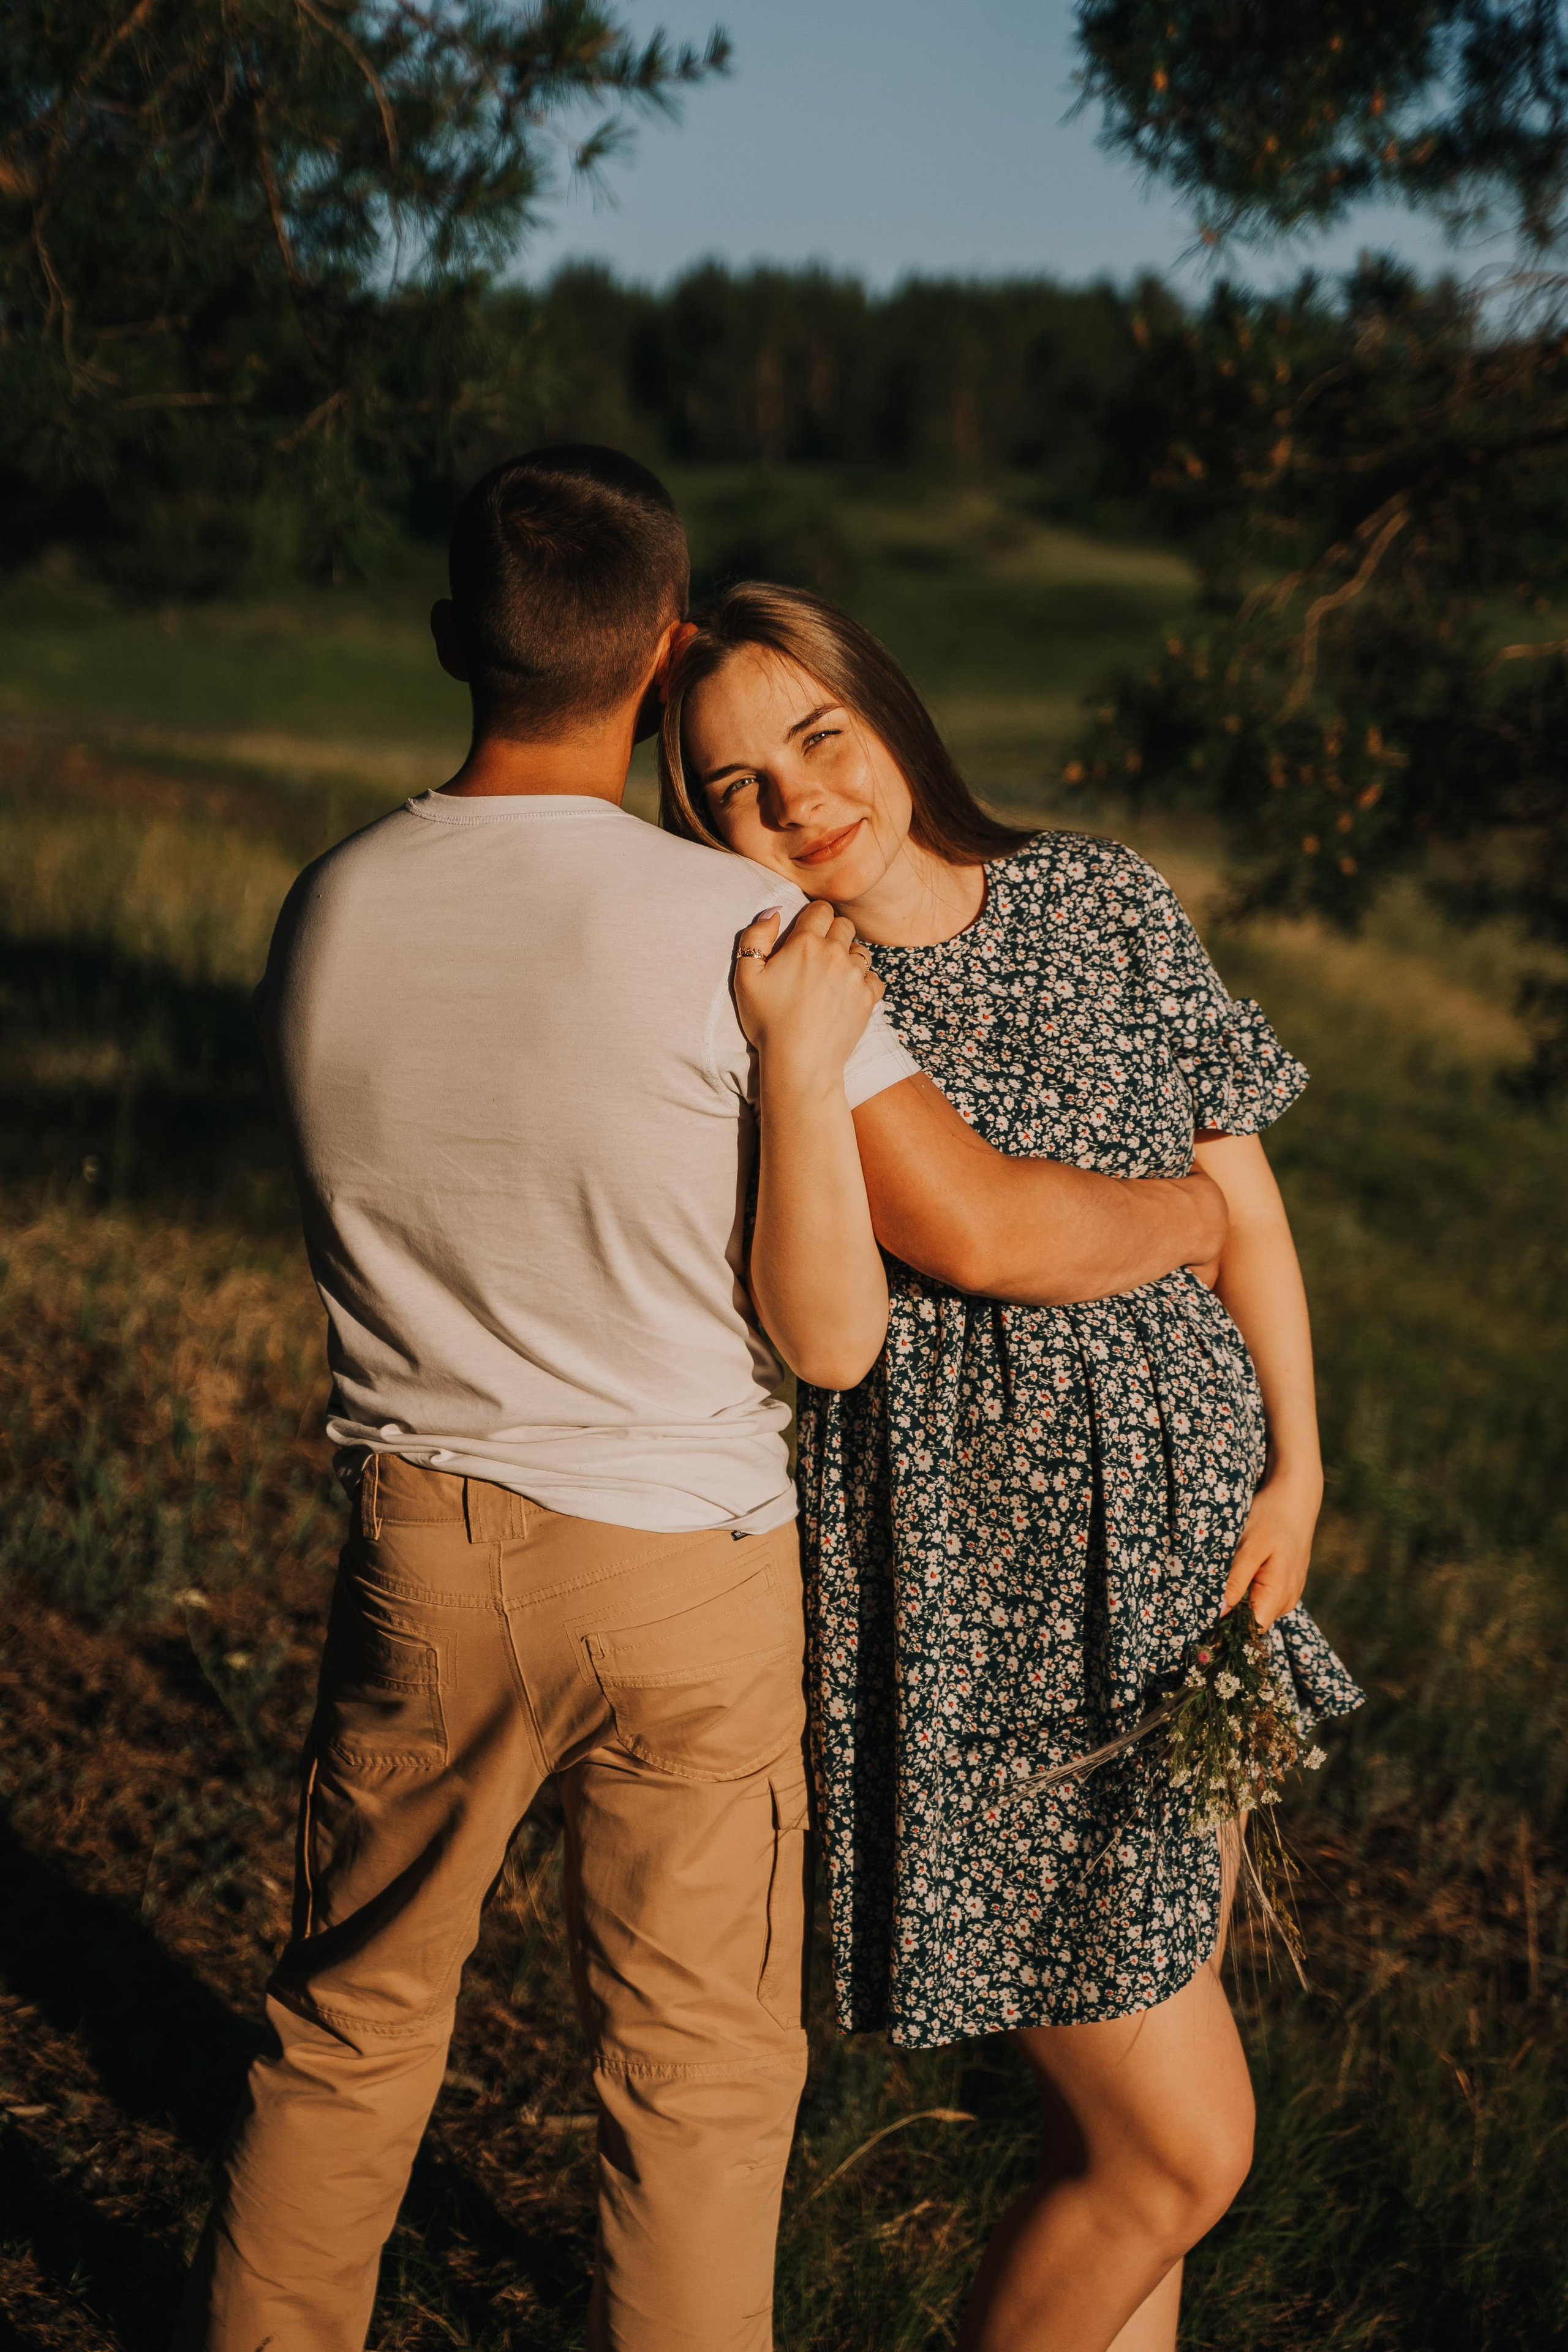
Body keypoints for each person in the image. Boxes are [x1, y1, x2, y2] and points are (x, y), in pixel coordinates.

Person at [174, 450, 1230, 2352]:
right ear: (669, 658)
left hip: (424, 1548)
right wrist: (1191, 1210)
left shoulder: (324, 910)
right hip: (689, 1566)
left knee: (345, 2032)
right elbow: (980, 1229)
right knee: (695, 2091)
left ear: (447, 645)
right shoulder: (726, 932)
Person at [659, 581, 1365, 2352]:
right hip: (994, 1612)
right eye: (737, 785)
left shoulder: (1101, 897)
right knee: (1178, 2148)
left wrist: (1298, 1467)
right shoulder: (795, 990)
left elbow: (1247, 1210)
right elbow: (946, 1263)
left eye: (817, 736)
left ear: (884, 712)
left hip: (1191, 1565)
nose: (798, 796)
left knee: (1118, 2117)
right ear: (701, 822)